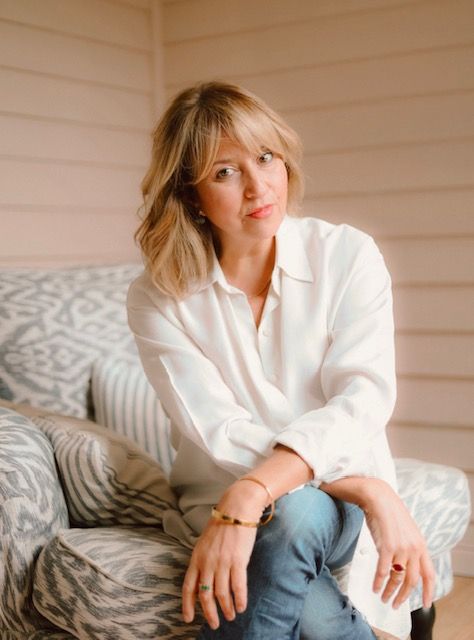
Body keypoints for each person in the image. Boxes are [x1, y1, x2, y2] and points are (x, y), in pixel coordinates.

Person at [126, 81, 434, 640]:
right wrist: (366, 487)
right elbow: (217, 431)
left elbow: (362, 401)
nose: (258, 186)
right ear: (191, 194)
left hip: (301, 507)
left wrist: (253, 492)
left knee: (298, 511)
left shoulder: (348, 255)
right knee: (300, 547)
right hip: (229, 491)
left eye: (265, 157)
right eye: (225, 171)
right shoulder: (158, 297)